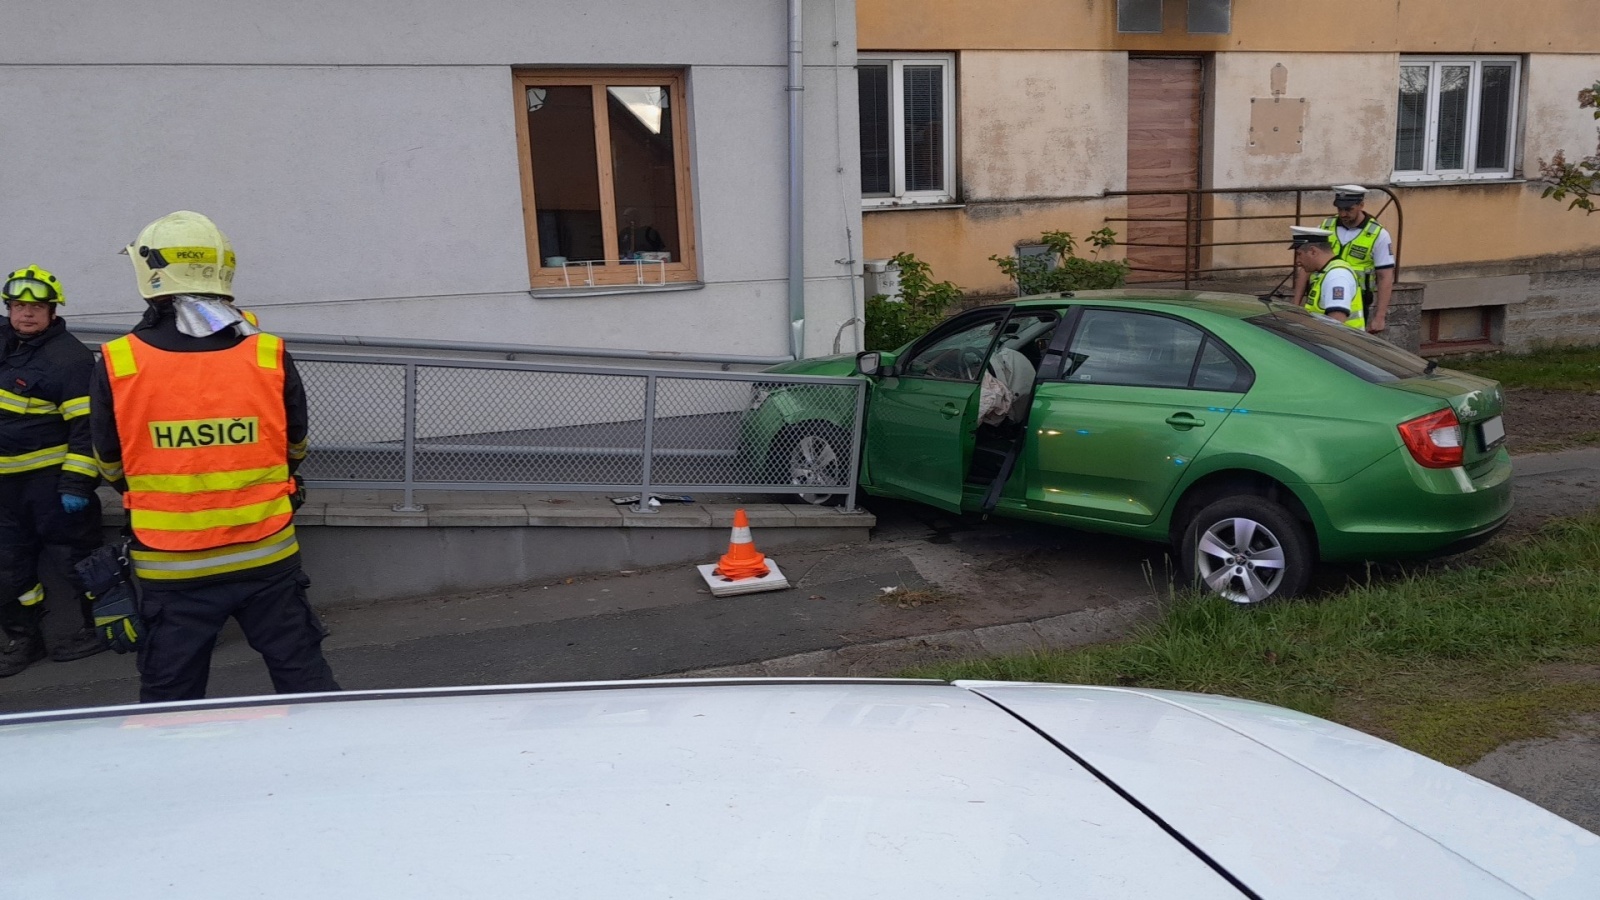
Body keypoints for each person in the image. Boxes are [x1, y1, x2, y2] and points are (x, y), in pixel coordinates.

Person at [90, 210, 338, 702]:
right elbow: (296, 446)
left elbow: (109, 461)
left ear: (149, 273)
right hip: (266, 551)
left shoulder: (120, 361)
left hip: (172, 565)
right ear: (224, 270)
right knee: (303, 680)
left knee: (172, 698)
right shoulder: (266, 352)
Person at [0, 266, 108, 675]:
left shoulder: (70, 359)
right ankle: (25, 639)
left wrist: (78, 482)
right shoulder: (5, 343)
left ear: (52, 310)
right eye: (19, 305)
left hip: (51, 487)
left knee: (75, 560)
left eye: (37, 307)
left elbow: (88, 428)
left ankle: (99, 627)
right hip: (4, 489)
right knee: (8, 567)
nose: (27, 314)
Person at [1292, 184, 1396, 333]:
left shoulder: (1378, 234)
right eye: (1339, 209)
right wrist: (1296, 304)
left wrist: (1380, 316)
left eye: (1348, 209)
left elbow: (1385, 276)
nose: (1343, 214)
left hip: (1356, 301)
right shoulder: (1325, 227)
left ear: (1361, 205)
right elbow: (1307, 267)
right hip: (1320, 297)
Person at [1290, 226, 1365, 329]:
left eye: (1299, 254)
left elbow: (1336, 323)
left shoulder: (1337, 276)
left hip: (1342, 343)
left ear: (1313, 251)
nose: (1298, 261)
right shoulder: (1326, 272)